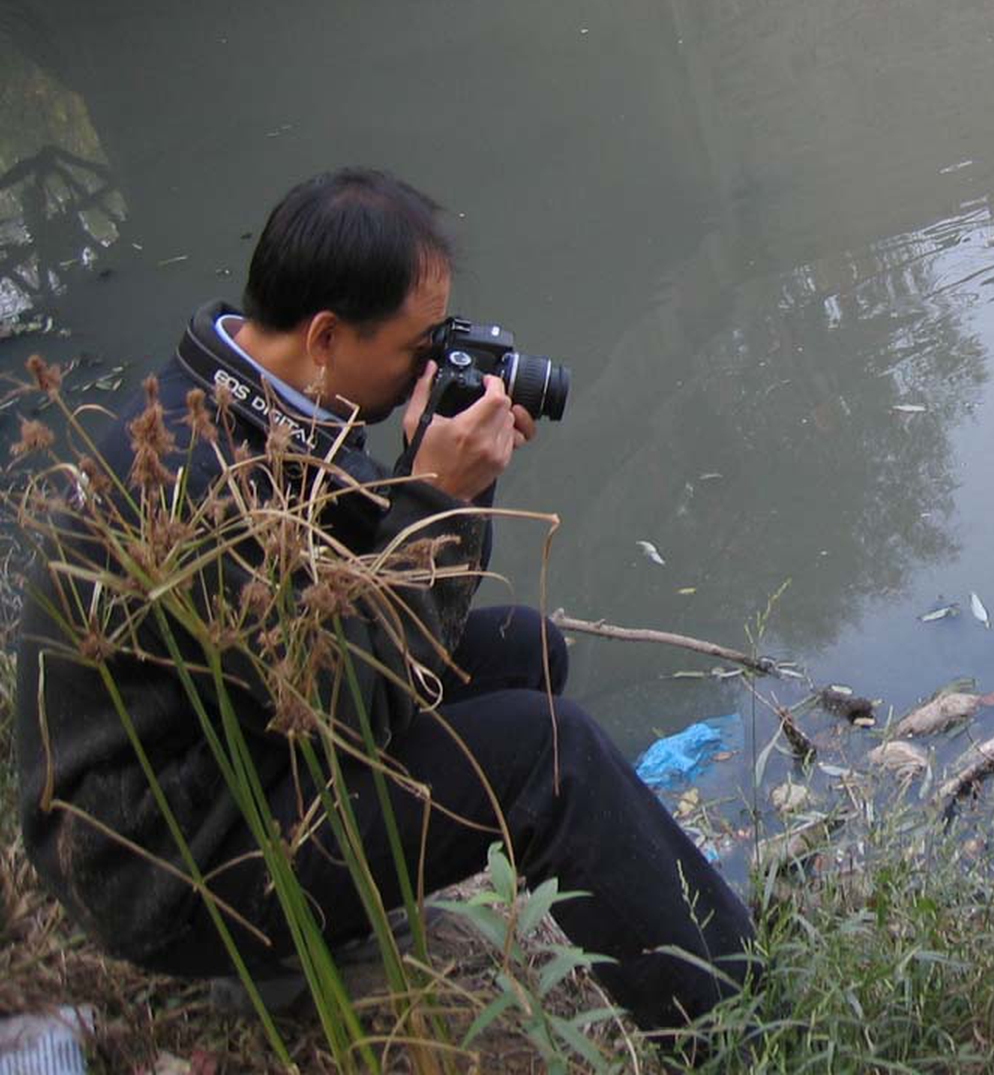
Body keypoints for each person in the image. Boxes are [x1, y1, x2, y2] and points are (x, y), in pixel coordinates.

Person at [13, 168, 753, 1029]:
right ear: (325, 335)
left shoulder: (258, 401)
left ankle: (347, 915)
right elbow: (343, 701)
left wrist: (441, 481)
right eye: (418, 347)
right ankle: (733, 1019)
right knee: (550, 755)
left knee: (522, 649)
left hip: (246, 760)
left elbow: (359, 593)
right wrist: (436, 495)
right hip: (174, 868)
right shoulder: (191, 478)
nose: (428, 365)